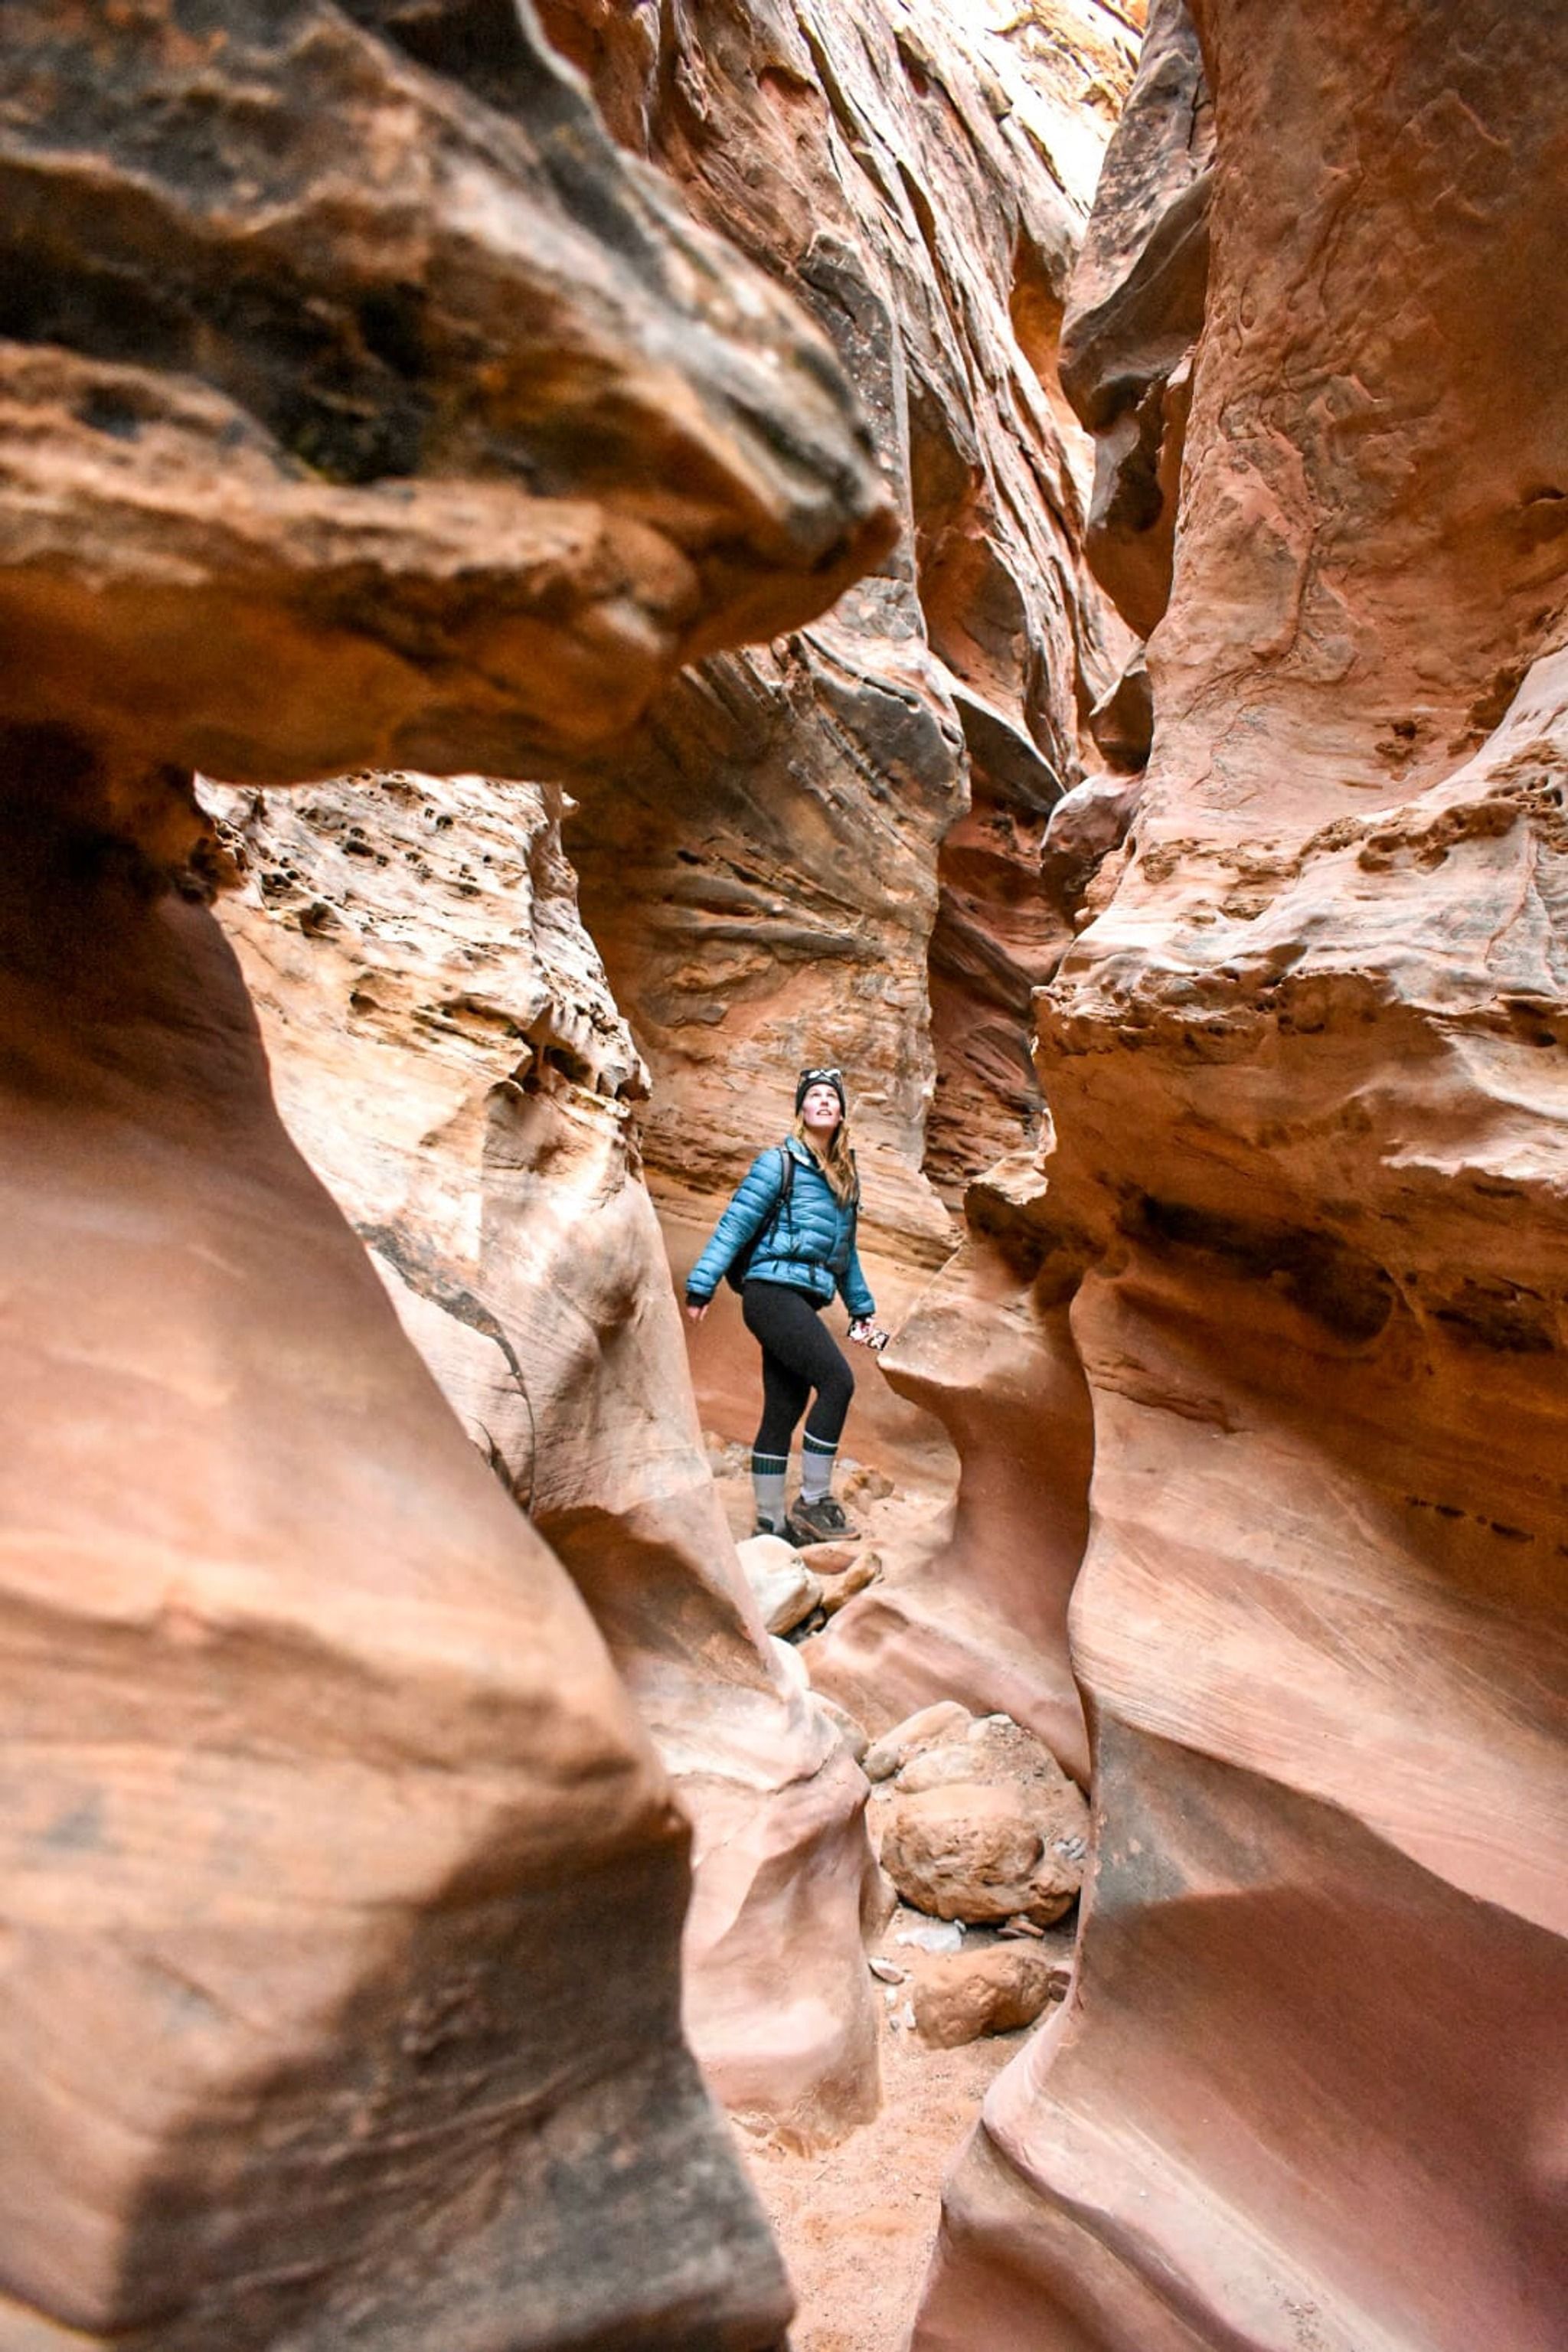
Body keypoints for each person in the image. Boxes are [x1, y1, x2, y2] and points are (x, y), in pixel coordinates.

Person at [684, 1065, 889, 1545]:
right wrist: (701, 1285)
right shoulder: (778, 1164)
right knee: (837, 1381)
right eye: (813, 1095)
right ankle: (814, 1501)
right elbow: (734, 1225)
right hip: (770, 1293)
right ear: (801, 1110)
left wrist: (862, 1311)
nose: (823, 1101)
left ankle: (771, 1526)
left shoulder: (845, 1179)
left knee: (784, 1408)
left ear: (841, 1114)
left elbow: (846, 1255)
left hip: (802, 1298)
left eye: (831, 1097)